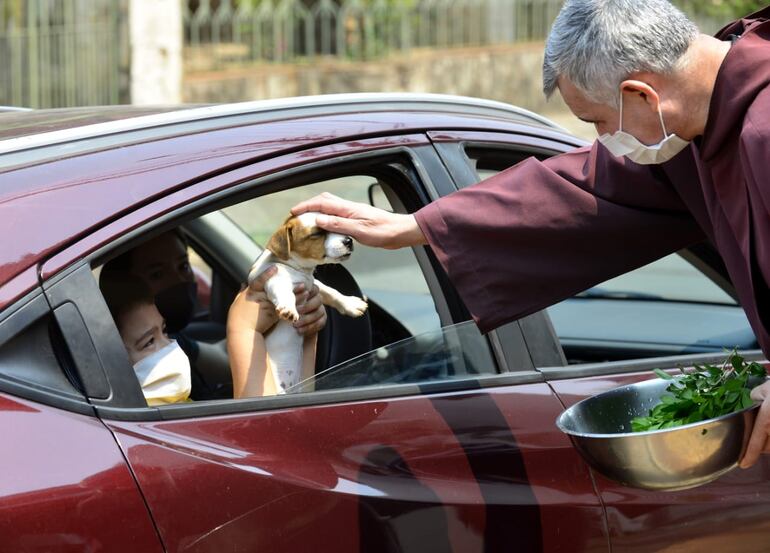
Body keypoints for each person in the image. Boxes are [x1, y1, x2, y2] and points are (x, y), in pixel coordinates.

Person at [290, 1, 770, 468]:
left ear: (641, 94)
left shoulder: (761, 127)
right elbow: (583, 188)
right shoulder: (698, 125)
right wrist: (419, 226)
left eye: (598, 122)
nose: (604, 139)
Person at [101, 229, 327, 399]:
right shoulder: (146, 401)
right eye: (158, 274)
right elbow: (267, 426)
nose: (179, 281)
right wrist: (243, 327)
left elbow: (228, 361)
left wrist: (298, 329)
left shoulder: (172, 347)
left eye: (183, 267)